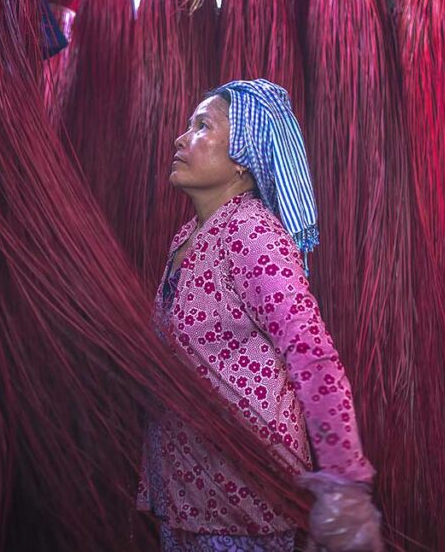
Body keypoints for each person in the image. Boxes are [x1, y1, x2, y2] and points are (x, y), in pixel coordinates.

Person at [138, 79, 382, 551]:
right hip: (184, 493)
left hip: (242, 503)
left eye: (202, 126)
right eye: (188, 125)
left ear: (243, 158)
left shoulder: (252, 234)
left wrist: (344, 482)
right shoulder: (187, 235)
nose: (181, 138)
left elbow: (312, 354)